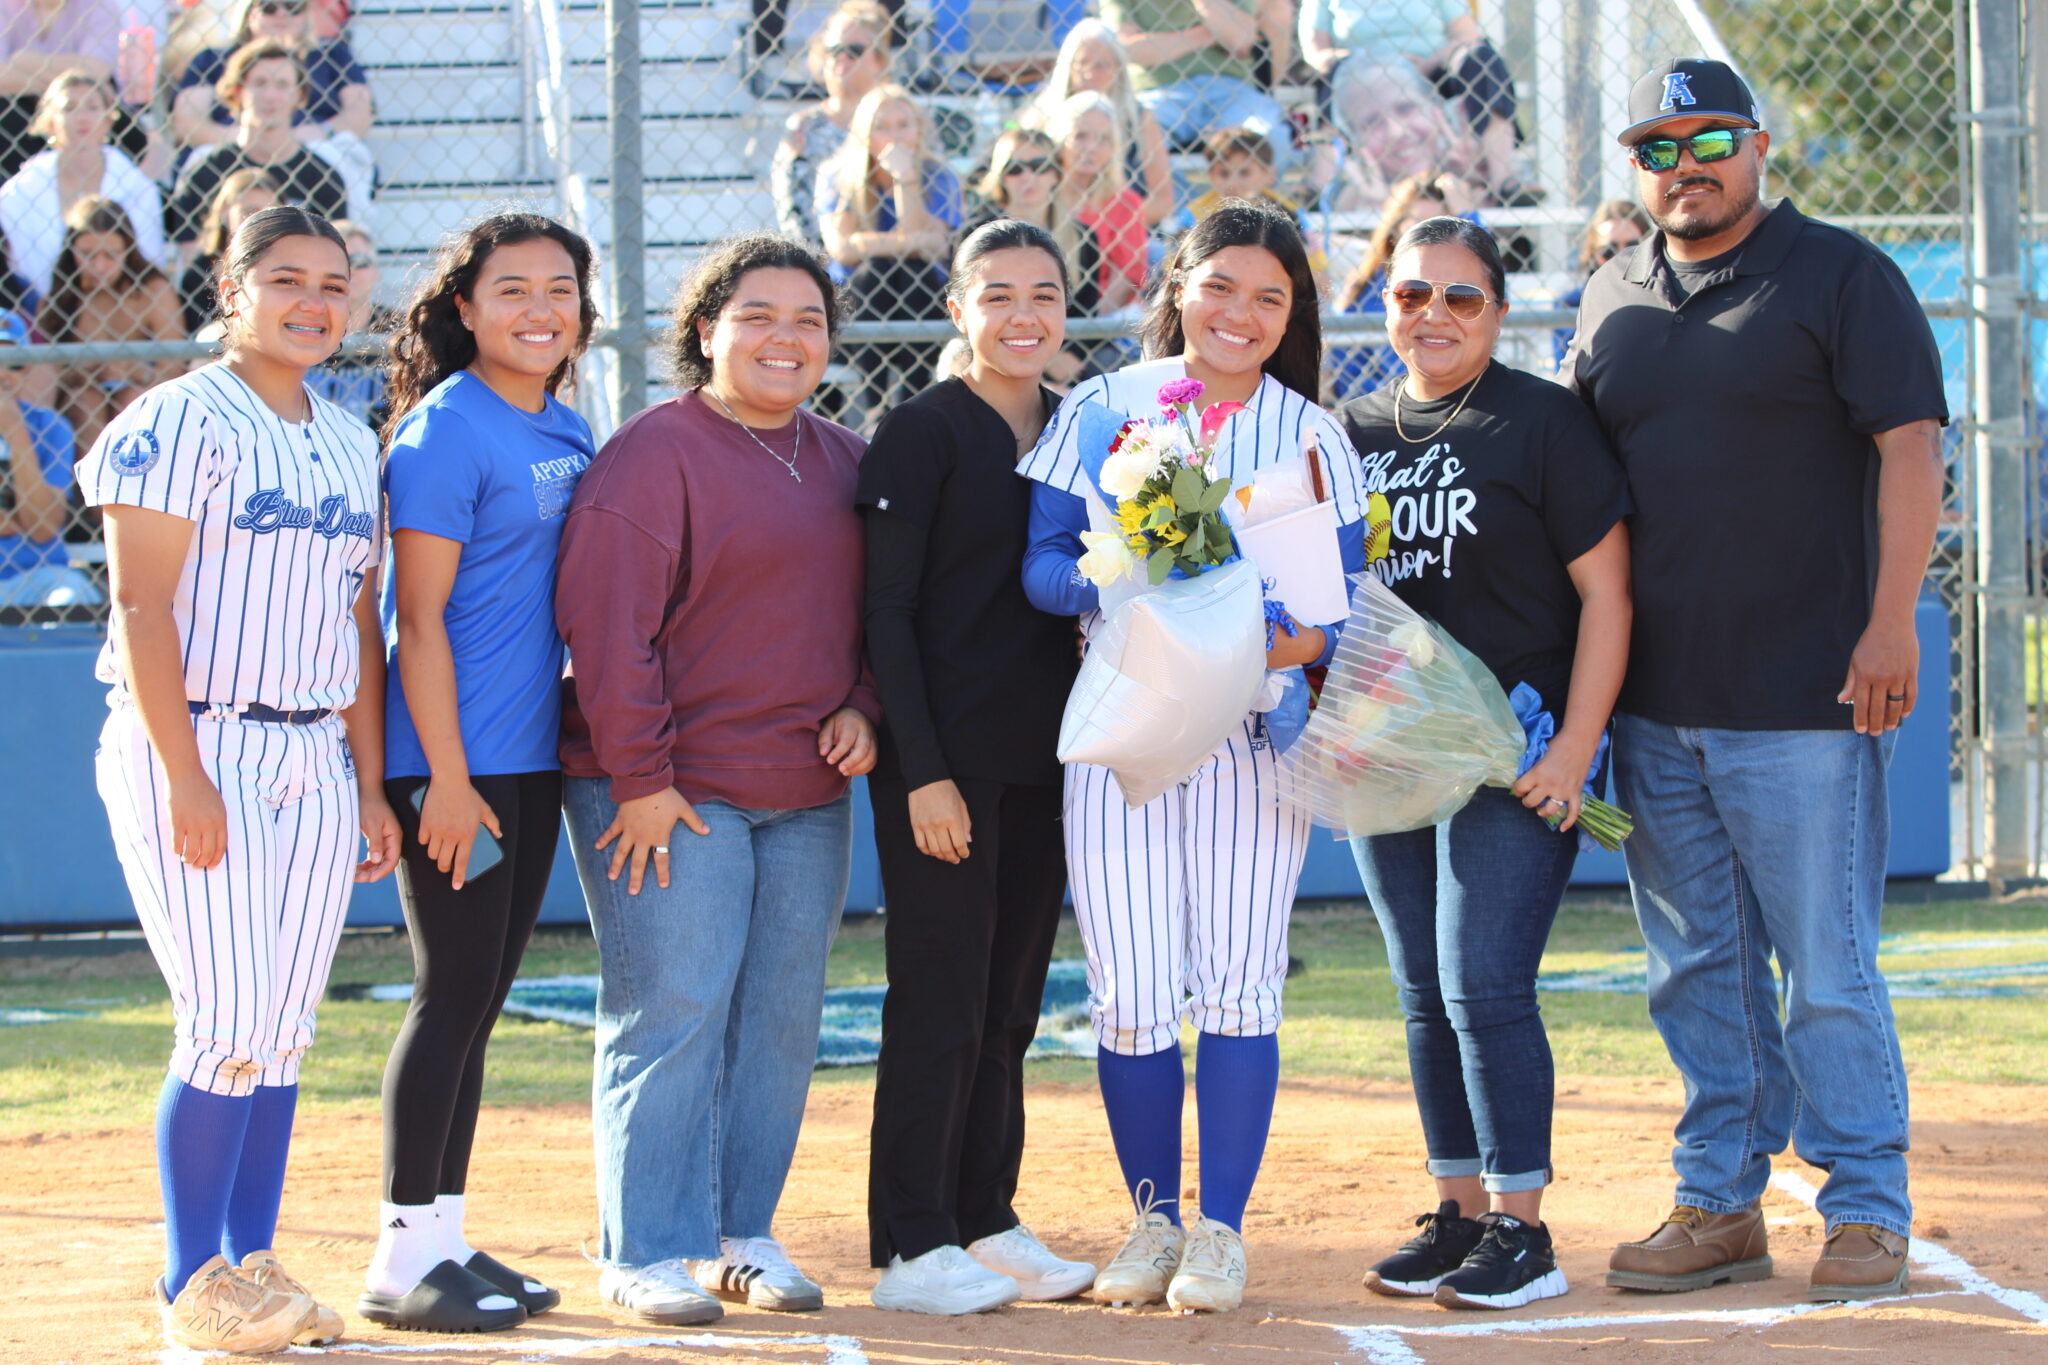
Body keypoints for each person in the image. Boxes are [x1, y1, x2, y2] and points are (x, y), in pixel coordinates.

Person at [1564, 58, 1947, 1303]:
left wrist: (1889, 623)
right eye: (1659, 148)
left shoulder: (1842, 275)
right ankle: (1720, 1201)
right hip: (1653, 710)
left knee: (1823, 965)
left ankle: (1866, 1212)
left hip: (1806, 701)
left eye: (1709, 139)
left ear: (1759, 144)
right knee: (1692, 969)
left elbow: (1910, 448)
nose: (1687, 166)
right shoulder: (1607, 296)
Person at [1020, 201, 1369, 1314]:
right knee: (1127, 994)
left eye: (1271, 298)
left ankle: (1218, 1232)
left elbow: (1341, 612)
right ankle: (1150, 1220)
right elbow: (1038, 570)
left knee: (1238, 987)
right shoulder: (1101, 406)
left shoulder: (1310, 432)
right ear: (1176, 285)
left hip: (1252, 740)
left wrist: (1283, 633)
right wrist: (1122, 570)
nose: (1242, 313)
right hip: (1123, 727)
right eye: (1220, 285)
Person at [78, 203, 400, 1354]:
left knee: (280, 1027)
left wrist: (370, 785)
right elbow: (141, 605)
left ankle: (254, 1261)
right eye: (285, 280)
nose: (313, 301)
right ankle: (192, 1283)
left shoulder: (351, 437)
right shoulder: (173, 421)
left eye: (333, 282)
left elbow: (359, 624)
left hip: (313, 747)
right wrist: (185, 775)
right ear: (231, 289)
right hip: (198, 738)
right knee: (221, 1024)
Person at [556, 233, 879, 1327]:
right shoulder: (655, 452)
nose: (784, 339)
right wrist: (638, 778)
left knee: (782, 1020)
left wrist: (862, 707)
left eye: (806, 320)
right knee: (672, 1009)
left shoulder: (841, 455)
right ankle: (642, 1247)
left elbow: (883, 614)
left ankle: (742, 1235)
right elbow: (608, 631)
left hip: (805, 789)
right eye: (757, 316)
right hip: (669, 790)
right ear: (706, 330)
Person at [1336, 216, 1632, 1310]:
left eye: (1460, 298)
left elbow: (1607, 593)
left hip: (1516, 758)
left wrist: (1573, 748)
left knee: (1483, 984)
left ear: (1496, 313)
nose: (1434, 315)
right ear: (1387, 306)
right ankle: (1457, 1211)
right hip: (1391, 756)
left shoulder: (1539, 420)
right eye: (1412, 295)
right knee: (1421, 989)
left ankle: (1523, 1231)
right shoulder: (1349, 431)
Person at [354, 213, 596, 1333]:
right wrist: (443, 780)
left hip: (528, 756)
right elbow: (420, 621)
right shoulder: (444, 431)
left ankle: (444, 1237)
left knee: (484, 999)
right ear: (464, 306)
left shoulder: (565, 424)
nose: (540, 308)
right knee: (448, 995)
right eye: (512, 289)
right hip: (455, 763)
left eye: (560, 288)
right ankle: (401, 1257)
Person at [860, 220, 1093, 1315]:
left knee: (1009, 1005)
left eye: (1042, 295)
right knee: (939, 1000)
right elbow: (887, 613)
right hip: (945, 767)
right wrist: (920, 771)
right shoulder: (919, 432)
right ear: (957, 309)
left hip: (1047, 761)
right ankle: (911, 1242)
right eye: (996, 295)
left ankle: (983, 1216)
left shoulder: (1084, 429)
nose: (1021, 316)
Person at [817, 83, 962, 427]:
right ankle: (875, 406)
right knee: (876, 268)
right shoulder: (839, 176)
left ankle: (912, 405)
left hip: (921, 296)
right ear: (864, 133)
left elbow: (932, 250)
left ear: (919, 129)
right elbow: (843, 250)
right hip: (857, 300)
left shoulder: (938, 176)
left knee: (910, 271)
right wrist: (907, 241)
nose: (893, 135)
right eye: (882, 126)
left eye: (903, 125)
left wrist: (905, 179)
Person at [1300, 0, 1521, 199]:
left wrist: (1427, 64)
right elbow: (1316, 53)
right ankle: (1318, 189)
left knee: (1482, 59)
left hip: (1431, 69)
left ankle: (1504, 180)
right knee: (1335, 75)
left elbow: (1466, 35)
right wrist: (1367, 63)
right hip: (1364, 78)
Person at [0, 69, 167, 304]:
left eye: (92, 107)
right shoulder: (19, 191)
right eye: (69, 108)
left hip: (122, 308)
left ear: (109, 120)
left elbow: (150, 262)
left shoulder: (138, 187)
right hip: (36, 310)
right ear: (49, 123)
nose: (82, 116)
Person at [166, 41, 349, 251]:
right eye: (260, 83)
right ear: (237, 91)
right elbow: (192, 262)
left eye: (282, 85)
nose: (270, 96)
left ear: (299, 95)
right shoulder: (203, 174)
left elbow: (330, 257)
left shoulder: (324, 178)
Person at [36, 195, 183, 455]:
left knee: (133, 399)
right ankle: (90, 492)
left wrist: (136, 371)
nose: (99, 266)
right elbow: (46, 371)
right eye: (87, 254)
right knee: (86, 401)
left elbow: (174, 365)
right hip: (81, 393)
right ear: (72, 251)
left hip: (141, 388)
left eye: (110, 255)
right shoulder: (61, 297)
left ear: (128, 250)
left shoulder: (151, 290)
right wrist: (82, 371)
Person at [1328, 170, 1477, 401]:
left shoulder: (1460, 285)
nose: (1429, 240)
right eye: (1418, 226)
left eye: (1441, 230)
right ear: (1396, 229)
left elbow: (1490, 286)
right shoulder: (1371, 283)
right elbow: (1348, 370)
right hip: (1383, 406)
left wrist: (1469, 218)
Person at [1100, 0, 1296, 175]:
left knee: (1270, 137)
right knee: (1129, 138)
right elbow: (1126, 50)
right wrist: (1209, 34)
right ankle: (1190, 211)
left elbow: (1242, 40)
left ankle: (1244, 213)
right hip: (1157, 93)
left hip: (1232, 91)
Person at [1026, 19, 1173, 227]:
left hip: (1124, 230)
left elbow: (1163, 200)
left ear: (1118, 69)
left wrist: (1104, 225)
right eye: (1082, 63)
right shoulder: (1044, 113)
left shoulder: (1139, 117)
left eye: (1102, 65)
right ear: (1068, 67)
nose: (1090, 74)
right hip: (1055, 225)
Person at [771, 0, 892, 251]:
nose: (841, 59)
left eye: (855, 50)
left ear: (879, 59)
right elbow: (793, 209)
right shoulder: (804, 127)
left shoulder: (901, 119)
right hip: (826, 259)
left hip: (894, 258)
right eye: (833, 50)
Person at [171, 0, 371, 150]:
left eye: (292, 5)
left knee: (350, 151)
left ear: (307, 14)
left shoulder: (332, 55)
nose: (281, 13)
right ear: (249, 12)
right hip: (229, 151)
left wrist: (316, 134)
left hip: (316, 148)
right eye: (269, 6)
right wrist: (246, 141)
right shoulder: (212, 59)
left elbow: (359, 115)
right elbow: (187, 121)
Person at [0, 312, 91, 607]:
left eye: (14, 363)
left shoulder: (50, 427)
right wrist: (17, 519)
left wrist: (15, 431)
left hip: (34, 575)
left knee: (73, 593)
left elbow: (43, 528)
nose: (3, 373)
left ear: (26, 369)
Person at [1327, 60, 1483, 215]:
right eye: (1372, 122)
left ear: (1435, 111)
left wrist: (1476, 181)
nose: (1397, 132)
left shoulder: (1479, 173)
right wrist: (1381, 211)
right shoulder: (1345, 208)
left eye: (1405, 109)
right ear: (1352, 139)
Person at [1186, 127, 1327, 283]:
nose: (1233, 183)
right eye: (1224, 173)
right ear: (1210, 175)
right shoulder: (1196, 212)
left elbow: (1315, 265)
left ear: (1268, 174)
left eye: (1244, 172)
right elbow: (1175, 263)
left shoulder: (1286, 212)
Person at [1049, 92, 1145, 318]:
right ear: (1061, 139)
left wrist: (1085, 325)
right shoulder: (1043, 194)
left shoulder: (1125, 202)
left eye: (1103, 139)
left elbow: (1126, 276)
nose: (1091, 147)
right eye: (1081, 136)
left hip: (1101, 316)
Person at [307, 217, 397, 423]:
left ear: (376, 272)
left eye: (360, 263)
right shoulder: (297, 327)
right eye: (337, 262)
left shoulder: (401, 328)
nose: (349, 271)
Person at [179, 168, 279, 333]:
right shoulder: (199, 273)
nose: (258, 221)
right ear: (225, 211)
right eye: (250, 211)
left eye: (268, 213)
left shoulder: (292, 266)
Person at [1550, 199, 1649, 366]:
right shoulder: (1570, 304)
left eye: (1632, 248)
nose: (1621, 258)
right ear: (1594, 254)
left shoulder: (1667, 297)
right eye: (1608, 251)